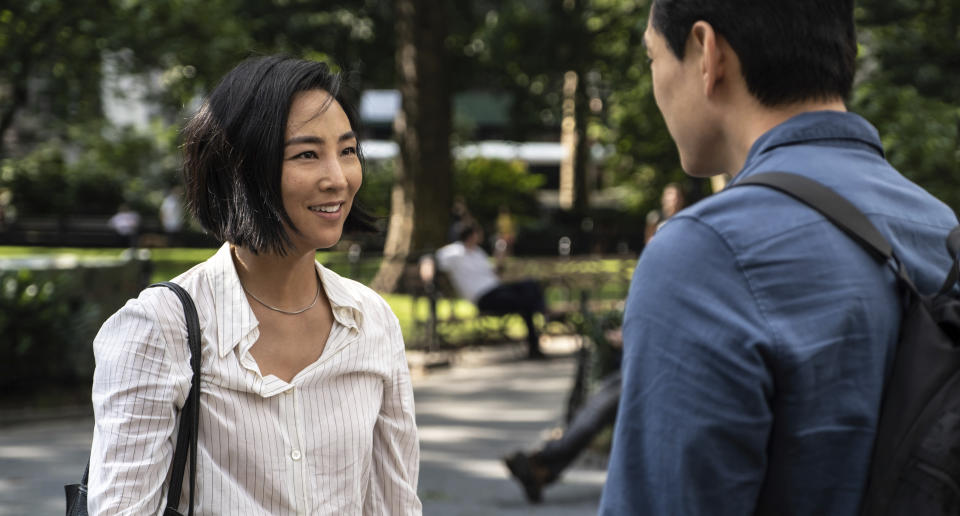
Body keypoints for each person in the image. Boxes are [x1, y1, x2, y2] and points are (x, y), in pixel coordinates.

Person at [601, 2, 958, 516]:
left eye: (652, 57)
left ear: (707, 52)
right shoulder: (940, 227)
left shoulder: (705, 255)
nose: (655, 80)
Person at [88, 55, 422, 515]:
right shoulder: (157, 330)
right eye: (307, 154)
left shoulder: (371, 321)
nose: (338, 178)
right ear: (241, 167)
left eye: (347, 150)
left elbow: (395, 505)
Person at [435, 221, 546, 359]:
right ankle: (536, 341)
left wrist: (500, 257)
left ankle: (540, 311)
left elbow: (493, 274)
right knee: (526, 303)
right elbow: (432, 257)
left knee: (530, 284)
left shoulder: (478, 252)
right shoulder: (455, 252)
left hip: (496, 289)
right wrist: (426, 266)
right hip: (483, 297)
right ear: (471, 235)